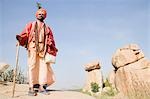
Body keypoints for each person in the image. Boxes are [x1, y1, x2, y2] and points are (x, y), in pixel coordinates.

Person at [16, 8, 58, 96]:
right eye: (39, 13)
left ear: (45, 16)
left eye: (43, 14)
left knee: (43, 67)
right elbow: (25, 34)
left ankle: (41, 86)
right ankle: (31, 87)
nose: (41, 15)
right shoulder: (30, 25)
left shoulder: (47, 28)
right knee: (32, 66)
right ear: (36, 15)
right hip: (32, 47)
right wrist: (20, 39)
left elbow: (51, 39)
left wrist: (51, 47)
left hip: (43, 48)